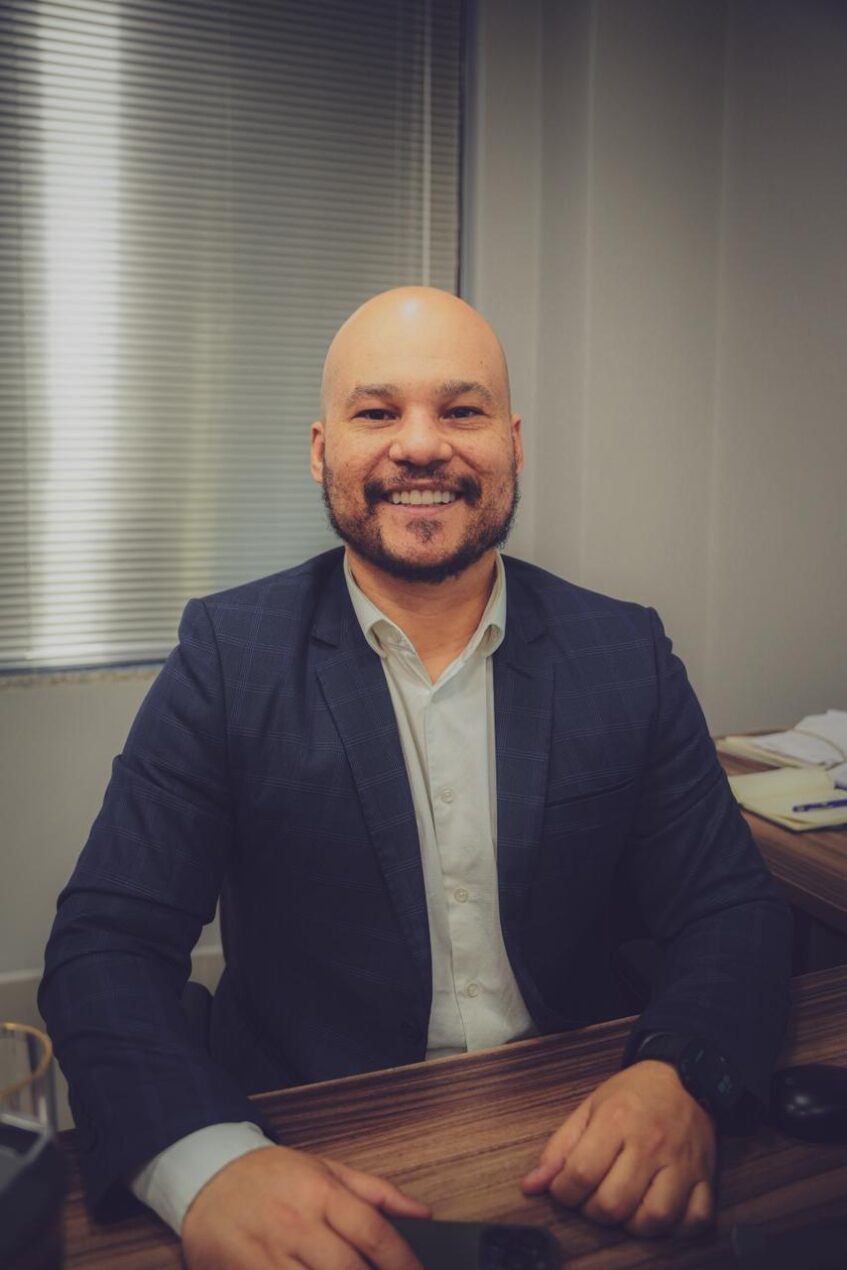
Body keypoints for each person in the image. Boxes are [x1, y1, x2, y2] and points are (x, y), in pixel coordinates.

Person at [40, 287, 792, 1269]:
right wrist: (207, 1164)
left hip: (585, 1122)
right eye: (377, 411)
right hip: (315, 1140)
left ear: (512, 444)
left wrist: (680, 1072)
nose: (422, 444)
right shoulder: (229, 656)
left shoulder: (624, 652)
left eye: (461, 409)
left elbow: (728, 907)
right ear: (322, 451)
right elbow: (106, 945)